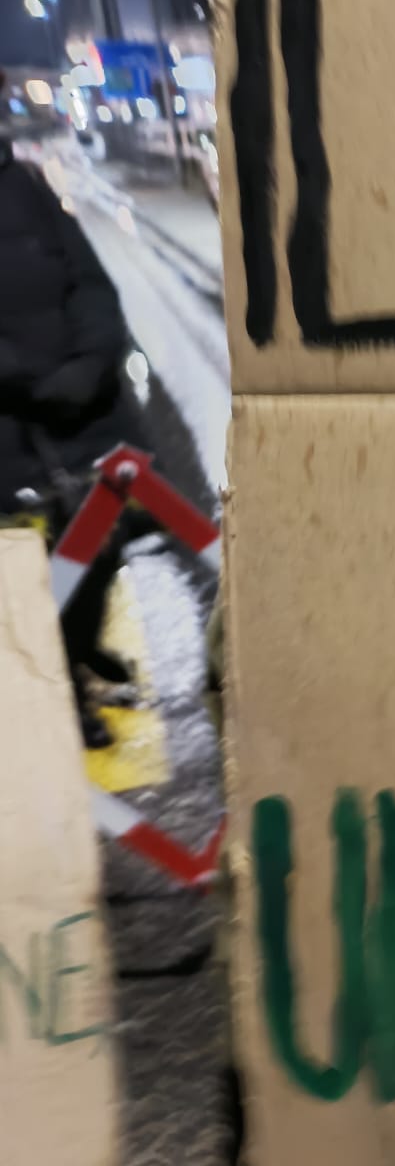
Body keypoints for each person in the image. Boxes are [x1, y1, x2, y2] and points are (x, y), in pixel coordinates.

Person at [0, 73, 145, 748]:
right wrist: (34, 380)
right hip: (16, 423)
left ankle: (76, 648)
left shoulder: (24, 184)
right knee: (30, 568)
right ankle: (54, 687)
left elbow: (87, 277)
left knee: (99, 546)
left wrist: (91, 360)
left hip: (83, 412)